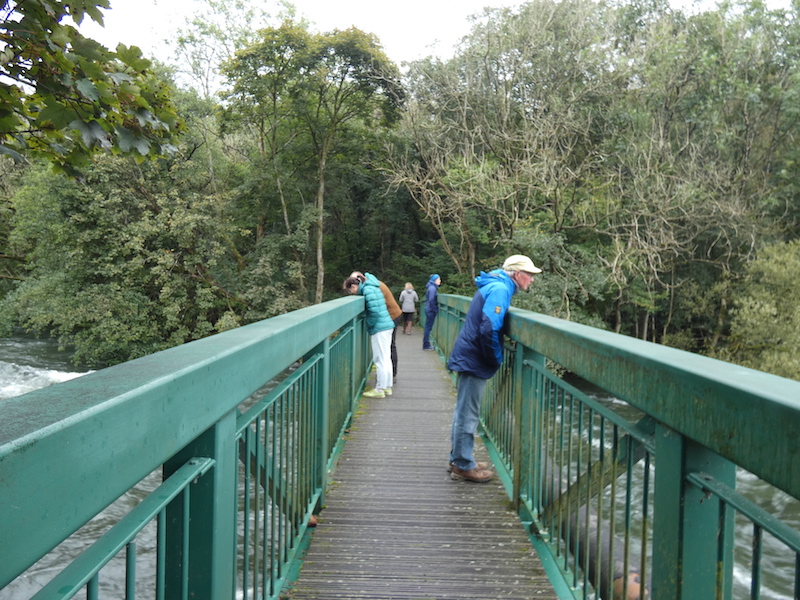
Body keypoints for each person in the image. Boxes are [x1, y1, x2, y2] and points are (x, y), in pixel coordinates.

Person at [447, 255, 542, 483]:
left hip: (470, 355)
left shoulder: (496, 285)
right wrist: (495, 357)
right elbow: (489, 327)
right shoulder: (500, 289)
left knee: (463, 411)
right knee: (468, 414)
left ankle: (459, 458)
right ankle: (462, 465)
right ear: (517, 274)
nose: (532, 279)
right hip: (474, 358)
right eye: (529, 274)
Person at [344, 273, 396, 398]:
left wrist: (370, 325)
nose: (351, 293)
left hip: (380, 327)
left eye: (350, 290)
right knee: (386, 357)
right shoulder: (372, 287)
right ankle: (387, 387)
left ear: (353, 286)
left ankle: (379, 389)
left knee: (379, 359)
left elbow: (374, 312)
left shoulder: (367, 290)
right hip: (387, 325)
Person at [351, 271, 402, 380]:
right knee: (388, 347)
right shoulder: (373, 283)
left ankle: (390, 375)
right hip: (390, 316)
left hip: (391, 315)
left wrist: (369, 324)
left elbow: (374, 308)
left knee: (389, 346)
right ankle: (388, 376)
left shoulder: (370, 287)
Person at [422, 274, 441, 350]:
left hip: (428, 309)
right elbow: (431, 300)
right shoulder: (433, 288)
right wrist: (435, 309)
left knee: (427, 327)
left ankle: (426, 344)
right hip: (430, 310)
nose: (440, 281)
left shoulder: (431, 287)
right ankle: (426, 345)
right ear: (435, 280)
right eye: (439, 279)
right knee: (428, 328)